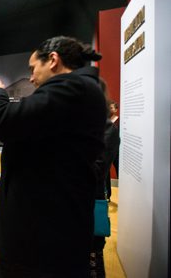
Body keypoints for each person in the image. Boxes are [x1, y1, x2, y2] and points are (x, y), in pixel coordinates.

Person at [0, 36, 107, 277]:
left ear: (53, 60)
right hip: (47, 239)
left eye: (33, 68)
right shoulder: (81, 92)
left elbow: (2, 121)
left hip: (37, 245)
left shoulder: (73, 89)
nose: (30, 77)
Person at [89, 79, 120, 277]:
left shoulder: (107, 130)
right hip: (70, 208)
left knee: (93, 256)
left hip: (91, 202)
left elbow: (96, 171)